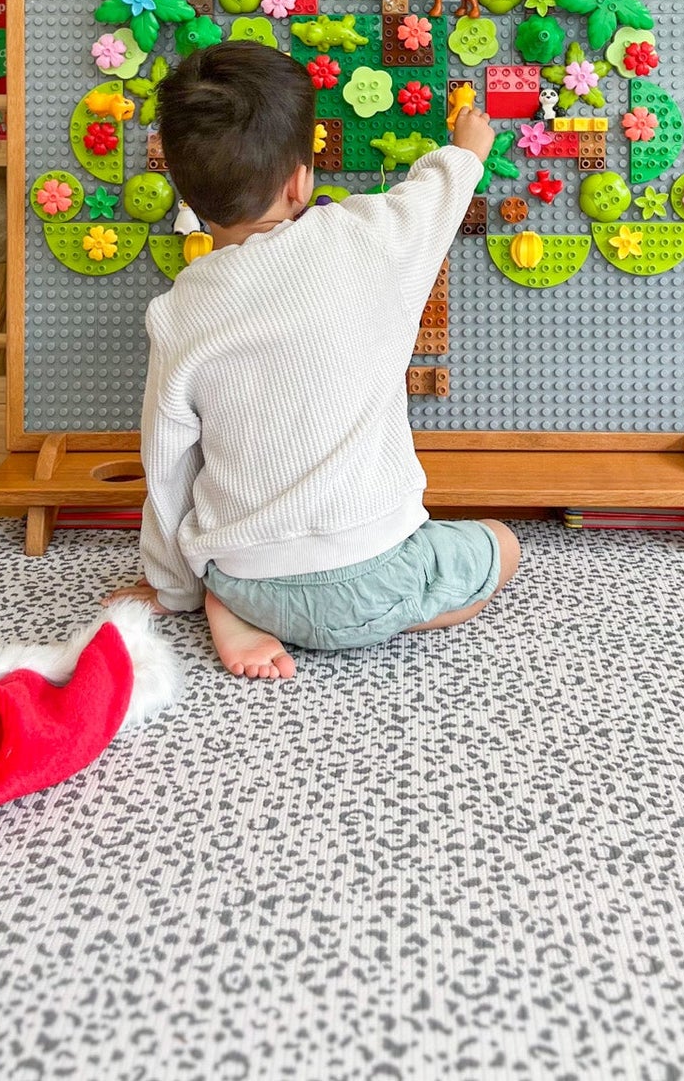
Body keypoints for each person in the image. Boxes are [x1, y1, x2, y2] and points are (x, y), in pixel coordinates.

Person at [116, 41, 520, 680]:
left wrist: (173, 588)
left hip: (245, 571)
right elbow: (432, 202)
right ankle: (368, 615)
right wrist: (467, 149)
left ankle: (229, 605)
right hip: (380, 572)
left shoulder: (177, 312)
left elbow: (166, 465)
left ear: (180, 182)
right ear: (301, 179)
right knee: (501, 544)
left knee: (230, 552)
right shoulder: (365, 236)